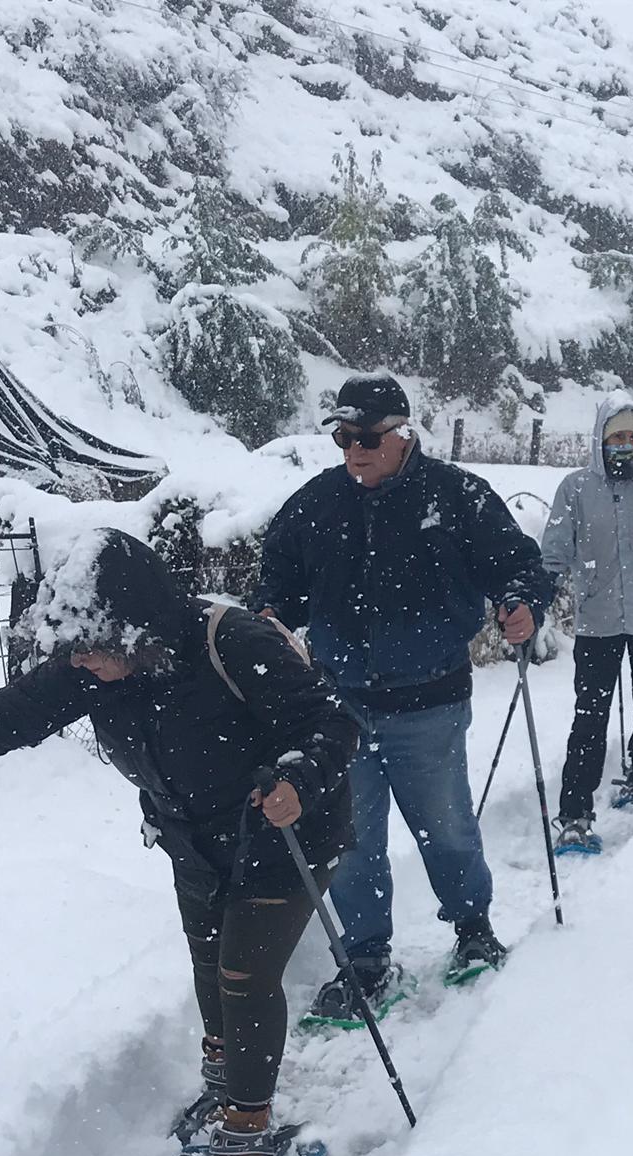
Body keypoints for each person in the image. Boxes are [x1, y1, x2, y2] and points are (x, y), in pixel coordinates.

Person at [0, 530, 358, 1156]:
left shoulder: (230, 642)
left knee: (244, 976)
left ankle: (247, 1135)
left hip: (286, 834)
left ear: (138, 630)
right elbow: (14, 715)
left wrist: (297, 781)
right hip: (195, 842)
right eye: (76, 648)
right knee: (209, 962)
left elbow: (330, 721)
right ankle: (225, 1088)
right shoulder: (92, 664)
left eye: (97, 647)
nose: (85, 661)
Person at [253, 372, 555, 1021]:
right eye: (342, 436)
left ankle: (472, 927)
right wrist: (273, 614)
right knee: (351, 838)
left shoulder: (455, 496)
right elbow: (276, 573)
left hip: (431, 701)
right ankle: (365, 957)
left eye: (365, 436)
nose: (353, 449)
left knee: (445, 824)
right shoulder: (318, 503)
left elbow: (517, 563)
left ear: (401, 434)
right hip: (339, 707)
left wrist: (523, 603)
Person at [541, 397, 633, 846]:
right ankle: (575, 814)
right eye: (616, 437)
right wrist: (538, 594)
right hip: (598, 622)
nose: (625, 445)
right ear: (600, 440)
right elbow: (555, 552)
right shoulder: (575, 489)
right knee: (589, 719)